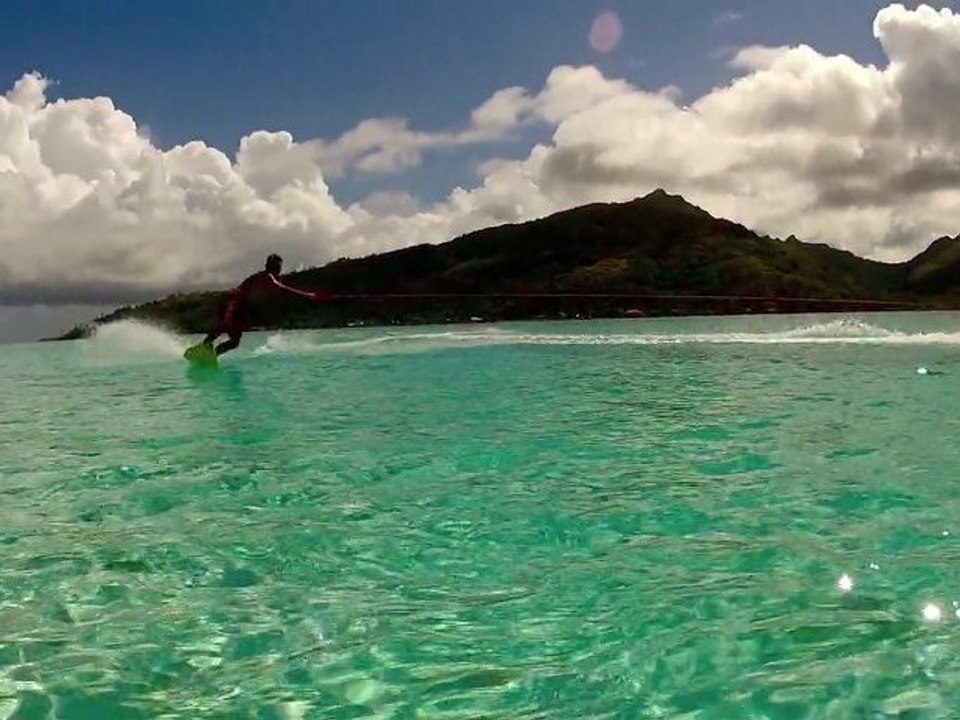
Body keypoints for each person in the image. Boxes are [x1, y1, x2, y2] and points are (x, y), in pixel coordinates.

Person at [203, 254, 333, 355]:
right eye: (277, 267)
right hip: (233, 303)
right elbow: (282, 288)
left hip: (240, 307)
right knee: (225, 328)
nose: (278, 269)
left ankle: (211, 354)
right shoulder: (267, 277)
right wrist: (306, 295)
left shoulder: (267, 277)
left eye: (278, 267)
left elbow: (276, 293)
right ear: (270, 266)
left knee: (233, 340)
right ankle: (206, 348)